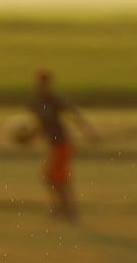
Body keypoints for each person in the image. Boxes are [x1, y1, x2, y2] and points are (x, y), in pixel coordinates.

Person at [27, 68, 96, 222]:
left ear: (49, 83)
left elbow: (74, 114)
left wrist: (89, 133)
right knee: (55, 178)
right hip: (53, 145)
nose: (41, 85)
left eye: (44, 82)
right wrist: (29, 138)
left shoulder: (55, 100)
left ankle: (65, 209)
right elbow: (39, 125)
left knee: (54, 177)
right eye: (39, 82)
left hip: (63, 143)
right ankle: (64, 209)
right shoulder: (36, 103)